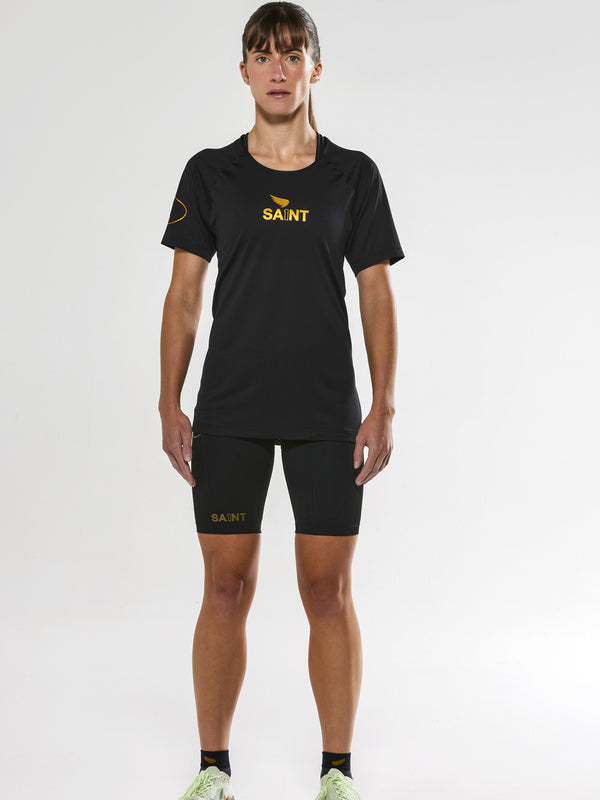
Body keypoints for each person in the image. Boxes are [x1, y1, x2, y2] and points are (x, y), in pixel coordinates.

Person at [158, 3, 404, 799]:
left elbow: (376, 295)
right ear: (243, 71)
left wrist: (382, 405)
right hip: (230, 410)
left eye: (292, 55)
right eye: (262, 55)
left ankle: (337, 773)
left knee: (328, 593)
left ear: (314, 69)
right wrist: (169, 402)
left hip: (325, 413)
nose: (277, 69)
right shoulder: (210, 173)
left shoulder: (353, 176)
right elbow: (184, 297)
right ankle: (213, 770)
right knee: (225, 589)